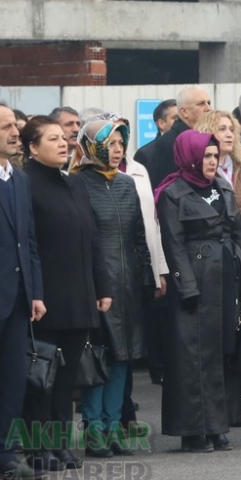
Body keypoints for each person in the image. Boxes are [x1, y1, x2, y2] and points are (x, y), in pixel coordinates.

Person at [155, 130, 241, 452]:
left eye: (215, 156)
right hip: (196, 280)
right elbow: (172, 244)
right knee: (190, 356)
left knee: (221, 353)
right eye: (206, 156)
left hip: (227, 276)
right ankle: (192, 429)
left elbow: (239, 235)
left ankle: (217, 425)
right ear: (191, 157)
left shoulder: (223, 188)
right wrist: (186, 285)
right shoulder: (172, 193)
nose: (212, 162)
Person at [19, 117, 111, 471]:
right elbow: (27, 243)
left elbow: (92, 237)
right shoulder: (25, 183)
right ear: (32, 147)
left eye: (65, 138)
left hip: (79, 293)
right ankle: (38, 447)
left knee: (68, 377)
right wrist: (34, 292)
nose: (64, 143)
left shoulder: (74, 183)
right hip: (44, 297)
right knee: (41, 377)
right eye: (53, 139)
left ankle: (60, 444)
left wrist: (101, 286)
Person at [67, 119, 150, 457]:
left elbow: (138, 236)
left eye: (120, 143)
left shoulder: (127, 184)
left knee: (123, 358)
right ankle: (94, 428)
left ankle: (114, 425)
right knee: (98, 357)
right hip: (97, 286)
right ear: (91, 146)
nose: (117, 150)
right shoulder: (76, 184)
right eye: (110, 144)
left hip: (128, 283)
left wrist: (147, 276)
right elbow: (81, 241)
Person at [194, 109, 241, 426]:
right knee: (217, 339)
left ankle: (236, 404)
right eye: (221, 128)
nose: (229, 134)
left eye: (232, 128)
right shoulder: (199, 171)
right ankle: (216, 407)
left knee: (240, 333)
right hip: (211, 262)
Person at [0, 104, 46, 480]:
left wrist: (35, 292)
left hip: (15, 299)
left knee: (12, 379)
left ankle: (6, 455)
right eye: (5, 127)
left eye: (15, 125)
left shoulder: (20, 179)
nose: (16, 132)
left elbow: (28, 241)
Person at [148, 87, 212, 187]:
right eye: (201, 104)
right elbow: (166, 187)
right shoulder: (170, 143)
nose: (208, 108)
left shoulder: (207, 138)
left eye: (209, 103)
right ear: (183, 112)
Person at [134, 99, 178, 168]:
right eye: (176, 118)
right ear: (161, 123)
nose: (181, 122)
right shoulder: (145, 154)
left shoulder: (192, 148)